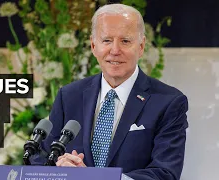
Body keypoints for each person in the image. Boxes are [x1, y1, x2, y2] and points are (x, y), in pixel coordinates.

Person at [31, 3, 189, 180]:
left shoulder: (168, 102)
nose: (115, 51)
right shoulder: (69, 96)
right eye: (106, 40)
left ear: (141, 46)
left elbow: (165, 173)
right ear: (93, 45)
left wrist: (94, 177)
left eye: (125, 41)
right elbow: (41, 158)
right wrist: (60, 169)